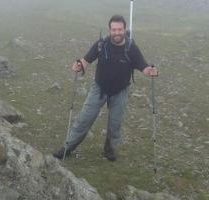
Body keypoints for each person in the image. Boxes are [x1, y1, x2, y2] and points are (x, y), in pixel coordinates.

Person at [53, 15, 158, 161]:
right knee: (84, 118)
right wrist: (78, 66)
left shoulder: (131, 47)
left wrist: (151, 71)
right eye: (114, 30)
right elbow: (85, 60)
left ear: (124, 29)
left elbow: (143, 67)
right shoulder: (101, 44)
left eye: (119, 29)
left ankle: (109, 149)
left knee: (115, 123)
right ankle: (67, 147)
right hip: (99, 88)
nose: (117, 33)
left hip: (121, 91)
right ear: (110, 30)